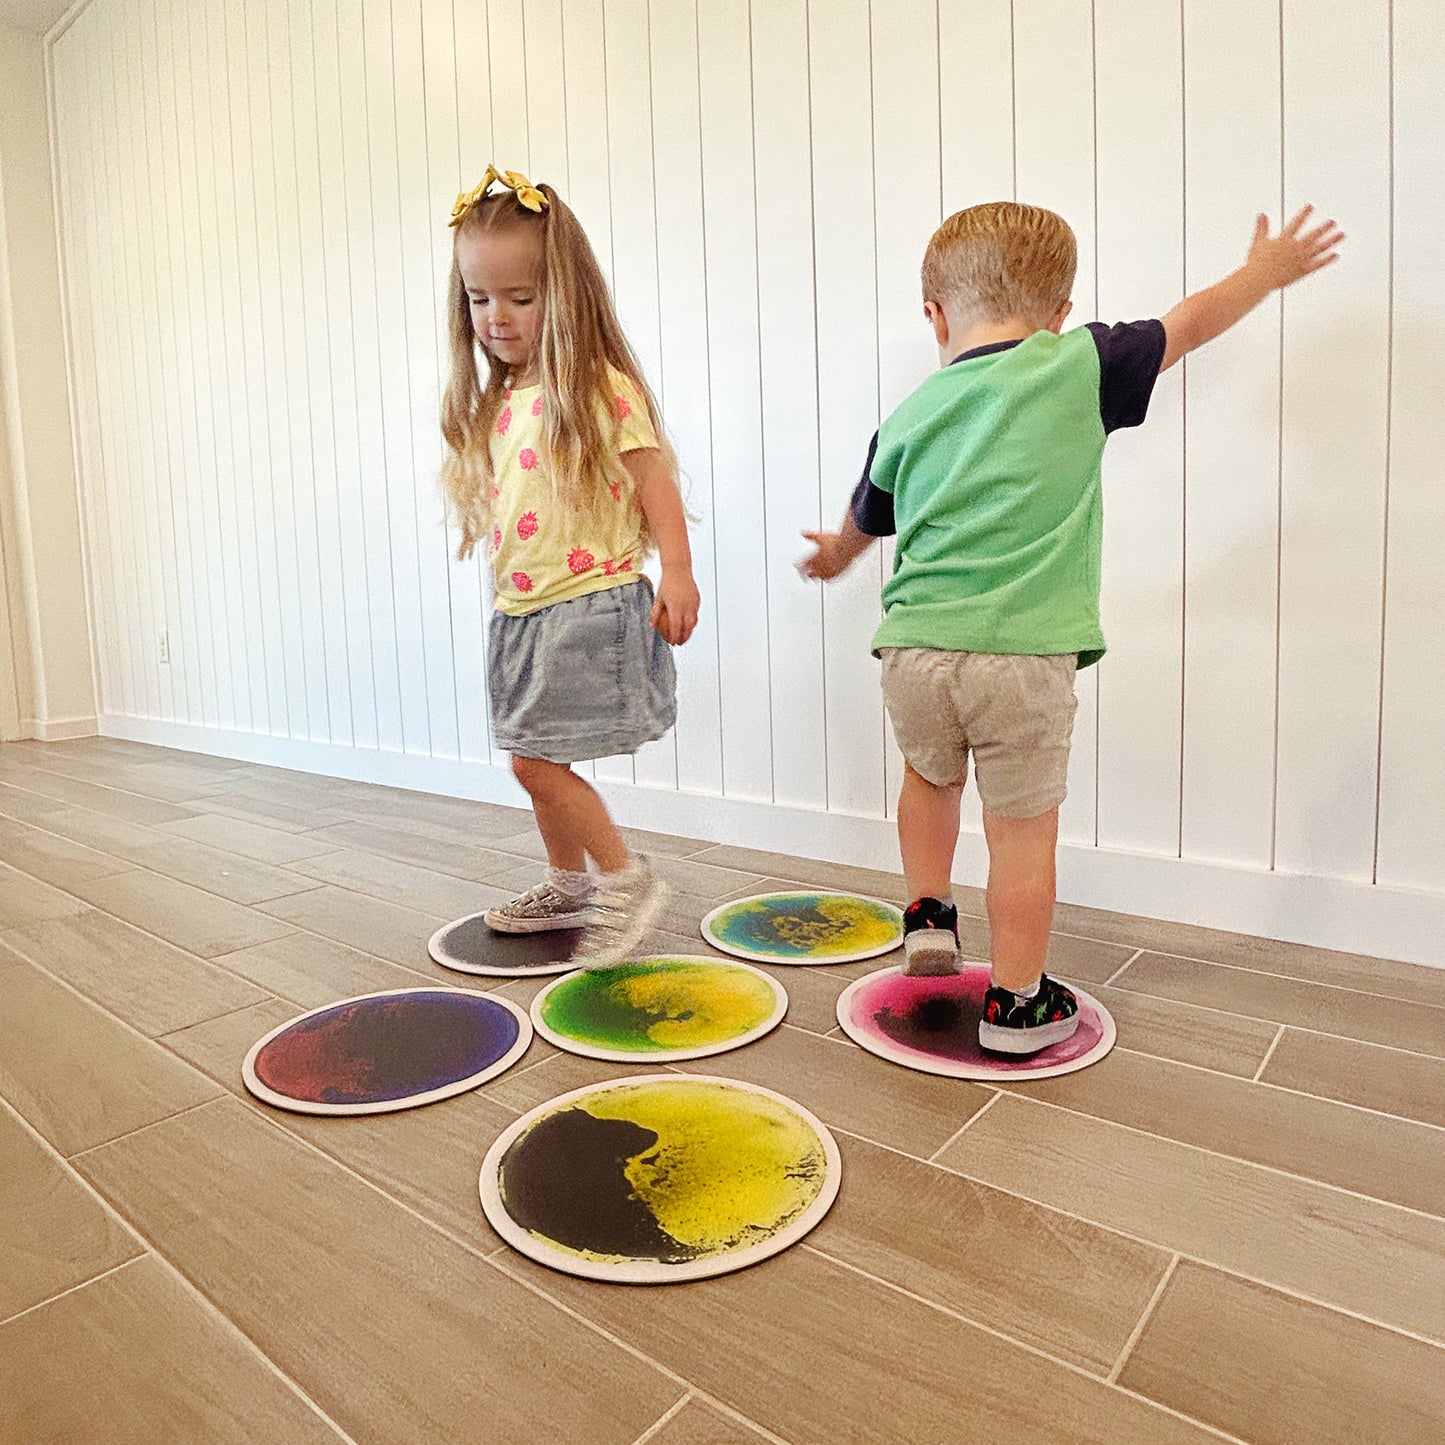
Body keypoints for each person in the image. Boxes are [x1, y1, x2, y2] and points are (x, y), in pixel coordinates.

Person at [801, 201, 1343, 1054]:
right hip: (1021, 655)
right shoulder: (1080, 360)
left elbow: (867, 513)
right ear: (1058, 313)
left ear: (935, 316)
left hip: (911, 646)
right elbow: (1189, 323)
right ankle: (1017, 1004)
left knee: (927, 779)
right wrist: (1260, 273)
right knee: (1020, 831)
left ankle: (928, 913)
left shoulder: (909, 411)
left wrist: (834, 556)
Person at [440, 167, 700, 967]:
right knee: (530, 755)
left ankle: (623, 876)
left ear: (565, 293)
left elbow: (653, 478)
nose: (496, 317)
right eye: (479, 298)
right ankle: (569, 883)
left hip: (588, 603)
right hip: (524, 612)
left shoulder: (594, 386)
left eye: (520, 297)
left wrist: (678, 571)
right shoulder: (501, 398)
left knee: (535, 760)